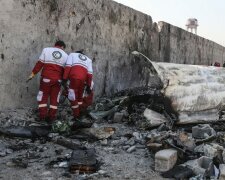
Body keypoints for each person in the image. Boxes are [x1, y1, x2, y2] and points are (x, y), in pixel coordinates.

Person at [27, 40, 68, 123]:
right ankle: (51, 118)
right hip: (58, 81)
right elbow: (66, 71)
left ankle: (42, 116)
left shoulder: (46, 50)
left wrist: (32, 74)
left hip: (46, 79)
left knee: (43, 97)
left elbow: (39, 64)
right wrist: (65, 83)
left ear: (55, 45)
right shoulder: (66, 55)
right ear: (63, 47)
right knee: (54, 99)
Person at [63, 50, 93, 120]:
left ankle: (76, 115)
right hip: (83, 80)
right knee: (79, 98)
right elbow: (90, 74)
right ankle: (80, 112)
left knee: (72, 97)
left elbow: (68, 67)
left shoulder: (72, 55)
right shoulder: (88, 60)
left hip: (74, 78)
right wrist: (88, 85)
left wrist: (64, 79)